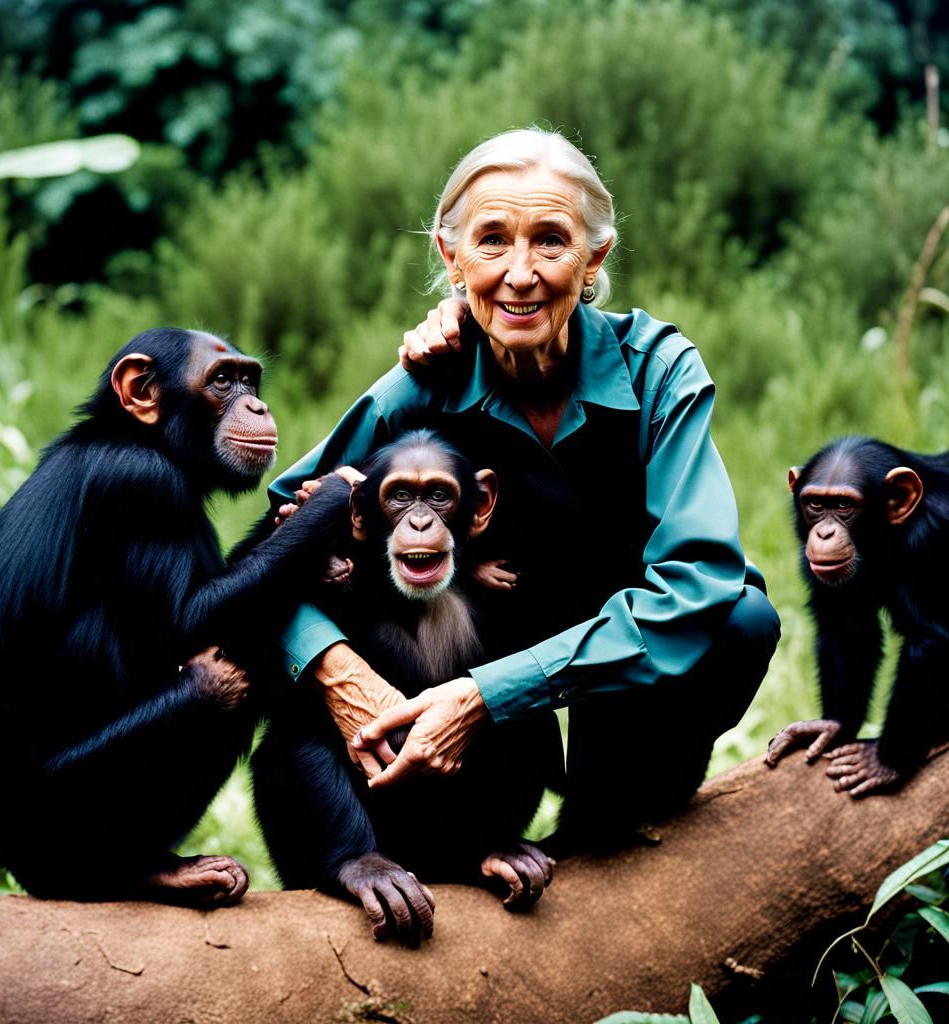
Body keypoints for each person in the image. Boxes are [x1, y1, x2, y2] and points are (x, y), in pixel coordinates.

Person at [270, 127, 780, 851]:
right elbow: (277, 536)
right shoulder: (428, 378)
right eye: (491, 242)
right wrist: (335, 668)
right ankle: (427, 841)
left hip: (613, 664)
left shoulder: (659, 370)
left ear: (594, 258)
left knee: (742, 620)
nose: (520, 273)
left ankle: (608, 816)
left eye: (549, 241)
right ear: (451, 259)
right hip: (485, 627)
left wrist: (490, 694)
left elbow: (701, 580)